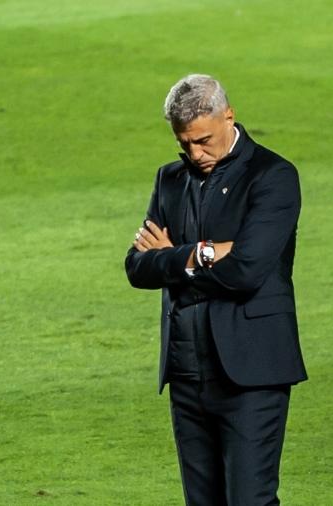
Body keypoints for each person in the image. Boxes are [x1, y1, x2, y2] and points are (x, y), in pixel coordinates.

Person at [124, 74, 307, 505]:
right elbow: (137, 267)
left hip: (251, 373)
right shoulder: (170, 180)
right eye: (185, 144)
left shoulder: (273, 177)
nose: (195, 153)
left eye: (203, 140)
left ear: (229, 116)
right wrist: (204, 254)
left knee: (249, 500)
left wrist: (175, 258)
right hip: (187, 370)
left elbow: (246, 271)